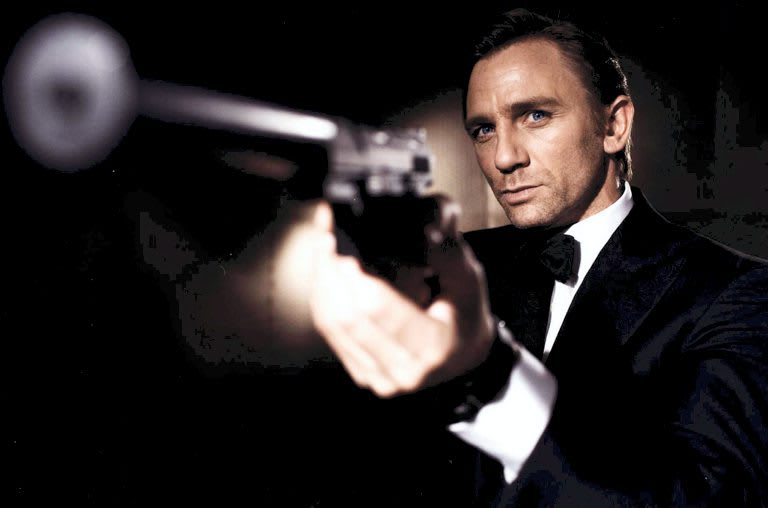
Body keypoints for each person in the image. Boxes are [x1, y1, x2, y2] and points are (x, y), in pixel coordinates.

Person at [308, 7, 768, 507]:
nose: (504, 157)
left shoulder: (735, 292)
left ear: (614, 125)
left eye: (535, 116)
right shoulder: (459, 266)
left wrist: (490, 377)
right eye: (483, 130)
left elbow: (708, 500)